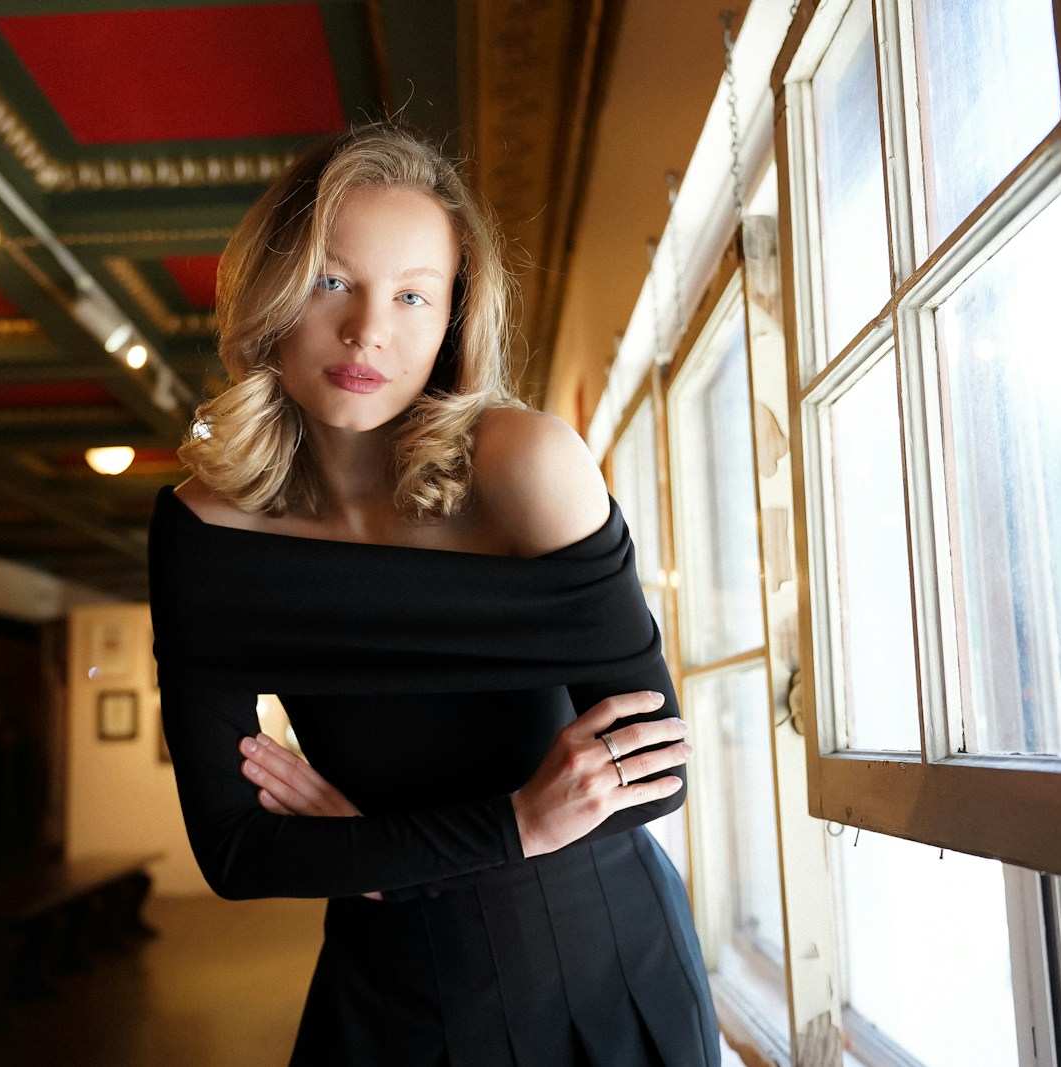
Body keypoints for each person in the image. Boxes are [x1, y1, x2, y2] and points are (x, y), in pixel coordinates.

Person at [148, 123, 720, 1066]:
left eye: (414, 295)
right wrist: (518, 822)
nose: (368, 329)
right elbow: (236, 853)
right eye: (333, 281)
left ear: (453, 317)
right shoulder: (203, 532)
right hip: (392, 984)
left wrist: (376, 852)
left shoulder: (526, 466)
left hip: (597, 959)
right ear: (272, 296)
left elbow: (653, 780)